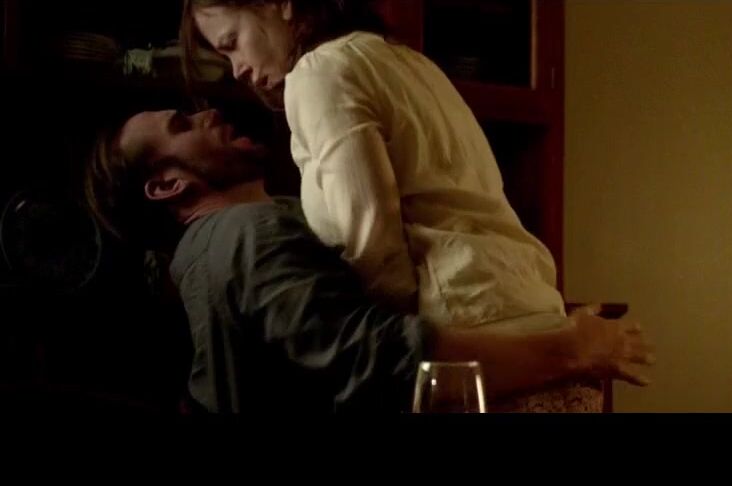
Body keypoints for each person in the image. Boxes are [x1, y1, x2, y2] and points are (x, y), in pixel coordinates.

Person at [83, 107, 653, 413]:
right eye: (181, 126)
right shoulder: (246, 235)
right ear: (167, 185)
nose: (207, 113)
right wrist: (574, 349)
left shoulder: (224, 244)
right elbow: (378, 363)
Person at [181, 0, 598, 411]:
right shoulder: (409, 61)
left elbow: (369, 234)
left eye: (232, 42)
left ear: (281, 5)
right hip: (537, 319)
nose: (237, 69)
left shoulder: (319, 72)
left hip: (471, 347)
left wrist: (390, 360)